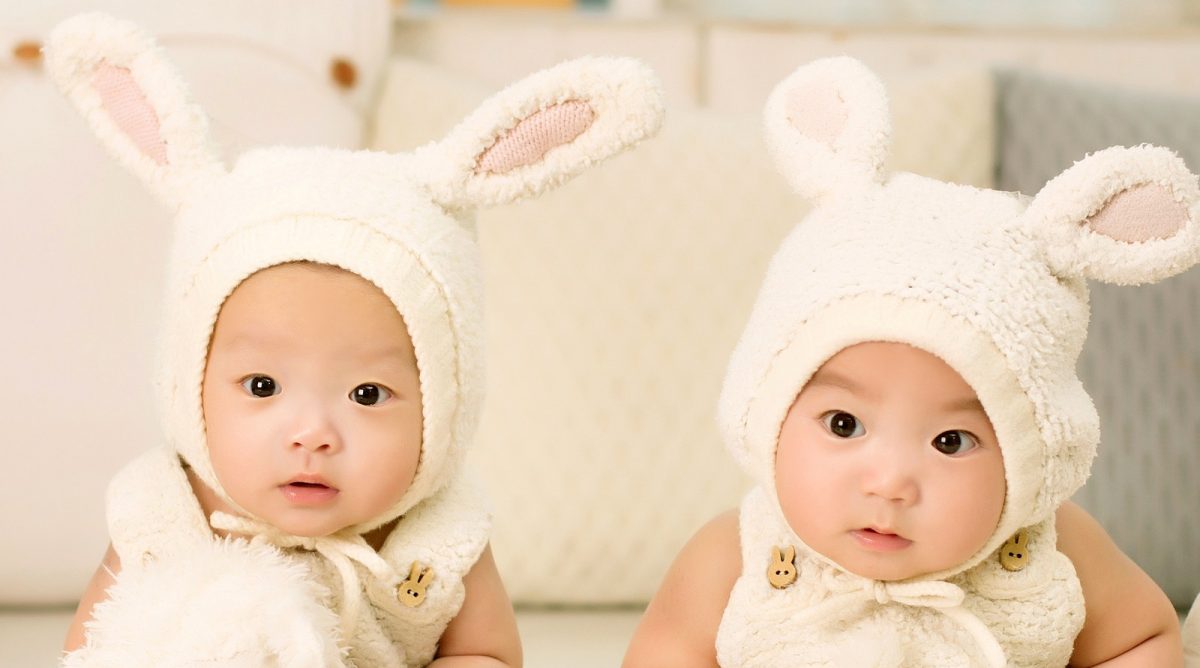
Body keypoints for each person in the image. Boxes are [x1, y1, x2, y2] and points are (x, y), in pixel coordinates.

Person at [47, 12, 663, 667]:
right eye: (262, 386)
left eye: (368, 393)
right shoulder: (163, 515)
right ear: (188, 385)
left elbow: (488, 654)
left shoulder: (437, 535)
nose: (312, 434)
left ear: (441, 406)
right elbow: (93, 647)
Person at [624, 56, 1196, 667]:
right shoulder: (735, 560)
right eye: (843, 424)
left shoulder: (1055, 552)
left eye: (952, 441)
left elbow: (1142, 639)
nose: (889, 483)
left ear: (1030, 457)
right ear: (768, 411)